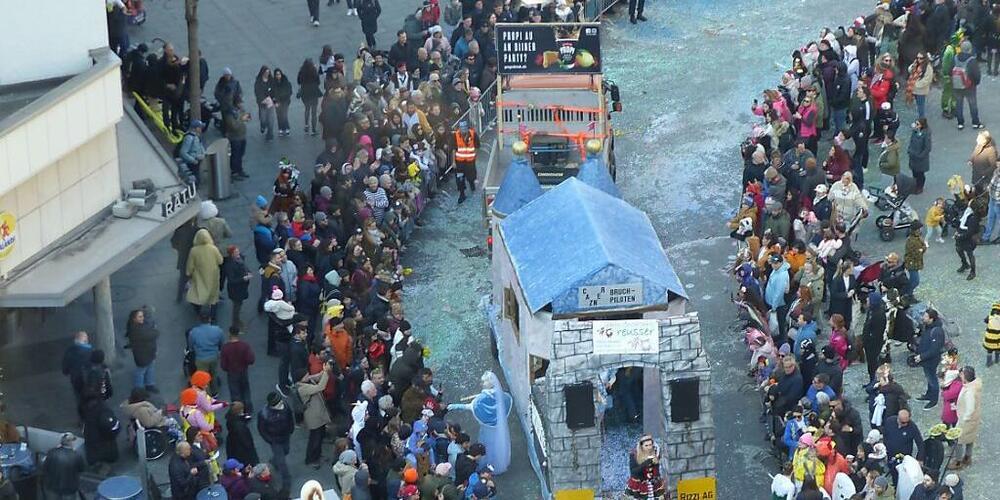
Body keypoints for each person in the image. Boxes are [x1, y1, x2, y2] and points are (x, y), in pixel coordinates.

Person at [446, 371, 512, 475]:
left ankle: (488, 462)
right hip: (499, 428)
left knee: (488, 445)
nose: (482, 384)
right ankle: (499, 461)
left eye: (484, 382)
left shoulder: (481, 399)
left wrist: (455, 406)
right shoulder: (503, 396)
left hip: (487, 429)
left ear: (489, 383)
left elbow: (471, 406)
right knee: (498, 443)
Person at [257, 392, 294, 495]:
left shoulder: (285, 406)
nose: (281, 403)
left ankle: (273, 461)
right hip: (275, 440)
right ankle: (286, 482)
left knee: (286, 451)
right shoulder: (264, 414)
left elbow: (290, 418)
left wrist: (291, 429)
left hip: (285, 436)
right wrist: (270, 440)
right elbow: (261, 429)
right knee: (282, 463)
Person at [298, 361, 331, 469]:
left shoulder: (306, 381)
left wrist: (324, 371)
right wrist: (325, 373)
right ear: (301, 378)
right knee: (314, 439)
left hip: (318, 414)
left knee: (320, 436)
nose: (308, 376)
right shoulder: (302, 388)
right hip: (313, 417)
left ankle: (317, 455)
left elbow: (317, 376)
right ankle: (311, 459)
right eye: (306, 375)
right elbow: (320, 387)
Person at [950, 366, 982, 469]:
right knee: (970, 438)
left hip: (967, 420)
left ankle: (958, 461)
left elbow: (970, 408)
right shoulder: (974, 385)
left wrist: (963, 419)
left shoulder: (969, 392)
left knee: (959, 439)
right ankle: (968, 457)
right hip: (974, 418)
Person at [186, 229, 224, 316]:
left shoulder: (194, 250)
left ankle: (198, 309)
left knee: (198, 291)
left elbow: (190, 266)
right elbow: (220, 261)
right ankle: (213, 315)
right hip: (213, 275)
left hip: (199, 275)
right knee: (213, 296)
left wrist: (188, 273)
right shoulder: (213, 248)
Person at [915, 308, 946, 409]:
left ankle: (934, 400)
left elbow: (934, 350)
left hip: (931, 360)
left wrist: (921, 356)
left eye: (925, 316)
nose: (923, 317)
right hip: (926, 359)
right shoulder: (928, 326)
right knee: (929, 377)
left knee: (932, 379)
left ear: (931, 319)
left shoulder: (937, 332)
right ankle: (929, 394)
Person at [41, 433, 86, 500]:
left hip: (52, 487)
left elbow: (44, 467)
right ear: (70, 443)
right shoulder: (77, 455)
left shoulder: (52, 452)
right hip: (69, 488)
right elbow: (82, 469)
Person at [221, 326, 255, 410]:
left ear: (229, 334)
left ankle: (238, 410)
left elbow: (223, 365)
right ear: (238, 333)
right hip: (243, 371)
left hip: (232, 373)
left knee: (235, 392)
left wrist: (228, 368)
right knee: (245, 390)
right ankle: (248, 409)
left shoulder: (226, 348)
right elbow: (251, 360)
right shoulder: (245, 346)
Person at [125, 307, 159, 392]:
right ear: (134, 319)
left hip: (148, 352)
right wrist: (155, 330)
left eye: (142, 316)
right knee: (140, 371)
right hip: (142, 354)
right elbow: (153, 334)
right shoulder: (136, 330)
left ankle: (149, 384)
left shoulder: (138, 326)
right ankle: (139, 389)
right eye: (140, 317)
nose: (142, 318)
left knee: (150, 368)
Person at [952, 40, 983, 130]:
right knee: (972, 104)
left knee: (959, 104)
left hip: (957, 85)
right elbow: (976, 74)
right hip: (970, 86)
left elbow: (949, 69)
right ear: (970, 49)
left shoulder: (955, 58)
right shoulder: (972, 60)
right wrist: (975, 83)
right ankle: (975, 123)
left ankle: (960, 123)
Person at [221, 246, 253, 329]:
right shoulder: (229, 265)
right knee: (236, 306)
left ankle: (237, 321)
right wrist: (243, 278)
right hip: (235, 289)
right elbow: (231, 280)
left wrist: (248, 272)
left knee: (239, 304)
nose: (238, 253)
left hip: (241, 287)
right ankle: (235, 324)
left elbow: (245, 267)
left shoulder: (239, 259)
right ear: (231, 254)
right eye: (236, 252)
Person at [61, 331, 92, 415]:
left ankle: (82, 417)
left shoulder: (70, 351)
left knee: (79, 398)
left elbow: (65, 369)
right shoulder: (90, 352)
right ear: (86, 341)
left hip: (76, 380)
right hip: (89, 380)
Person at [452, 120, 478, 204]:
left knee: (471, 176)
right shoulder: (455, 135)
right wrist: (453, 162)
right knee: (460, 178)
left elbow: (477, 146)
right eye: (461, 128)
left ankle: (471, 183)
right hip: (459, 162)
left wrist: (474, 156)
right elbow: (453, 149)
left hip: (470, 161)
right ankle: (462, 194)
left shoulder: (473, 134)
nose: (463, 130)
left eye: (465, 128)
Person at [955, 203, 981, 280]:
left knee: (970, 254)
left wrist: (960, 236)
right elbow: (961, 223)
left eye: (969, 205)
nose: (967, 206)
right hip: (961, 235)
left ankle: (973, 272)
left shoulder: (973, 218)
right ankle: (965, 264)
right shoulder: (967, 213)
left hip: (969, 239)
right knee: (958, 249)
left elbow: (970, 232)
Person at [297, 59, 322, 136]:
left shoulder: (301, 72)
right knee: (314, 112)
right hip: (314, 92)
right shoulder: (314, 72)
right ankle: (314, 129)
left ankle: (306, 125)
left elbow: (298, 81)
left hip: (305, 93)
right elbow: (318, 82)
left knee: (307, 109)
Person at [908, 118, 932, 193]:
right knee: (914, 172)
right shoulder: (915, 132)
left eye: (917, 124)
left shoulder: (926, 134)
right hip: (913, 155)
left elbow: (927, 147)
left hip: (920, 158)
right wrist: (909, 150)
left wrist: (921, 156)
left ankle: (920, 187)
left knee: (920, 174)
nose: (916, 125)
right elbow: (911, 141)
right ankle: (915, 185)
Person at [903, 223, 927, 299]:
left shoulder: (917, 237)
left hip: (915, 263)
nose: (921, 230)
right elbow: (916, 253)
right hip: (912, 263)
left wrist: (922, 249)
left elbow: (922, 247)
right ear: (916, 230)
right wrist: (922, 249)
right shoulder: (912, 240)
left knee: (913, 280)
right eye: (919, 229)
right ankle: (907, 295)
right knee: (915, 281)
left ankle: (908, 293)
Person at [254, 66, 276, 141]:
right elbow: (257, 92)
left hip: (271, 103)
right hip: (262, 103)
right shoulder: (259, 81)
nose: (267, 74)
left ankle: (270, 134)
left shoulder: (271, 81)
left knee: (271, 120)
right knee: (263, 119)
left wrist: (273, 99)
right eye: (266, 72)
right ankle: (263, 126)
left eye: (268, 72)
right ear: (262, 72)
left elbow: (275, 90)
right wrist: (263, 99)